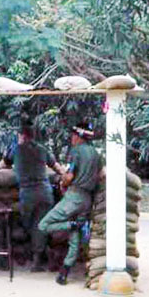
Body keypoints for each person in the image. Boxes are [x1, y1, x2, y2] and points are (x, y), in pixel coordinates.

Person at [0, 118, 66, 272]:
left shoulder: (16, 149)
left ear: (22, 136)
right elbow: (57, 167)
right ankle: (45, 255)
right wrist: (67, 176)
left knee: (28, 225)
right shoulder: (42, 149)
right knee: (41, 226)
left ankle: (37, 260)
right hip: (45, 193)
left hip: (28, 194)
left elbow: (4, 162)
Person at [38, 122, 103, 285]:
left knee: (43, 225)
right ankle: (63, 273)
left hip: (74, 197)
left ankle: (71, 225)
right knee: (75, 239)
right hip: (87, 200)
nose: (72, 138)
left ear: (79, 136)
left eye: (73, 135)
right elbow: (101, 175)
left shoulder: (76, 152)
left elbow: (69, 177)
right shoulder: (97, 154)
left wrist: (62, 181)